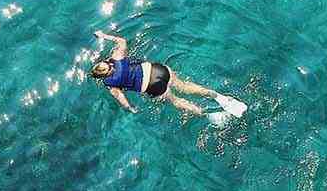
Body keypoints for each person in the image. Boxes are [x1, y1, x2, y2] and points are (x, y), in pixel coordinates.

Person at [89, 30, 247, 123]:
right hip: (159, 70)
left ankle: (208, 115)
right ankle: (216, 95)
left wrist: (130, 109)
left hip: (153, 87)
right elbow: (121, 40)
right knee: (185, 86)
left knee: (177, 101)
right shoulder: (117, 57)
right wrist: (103, 35)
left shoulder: (111, 85)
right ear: (106, 64)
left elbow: (122, 99)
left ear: (101, 77)